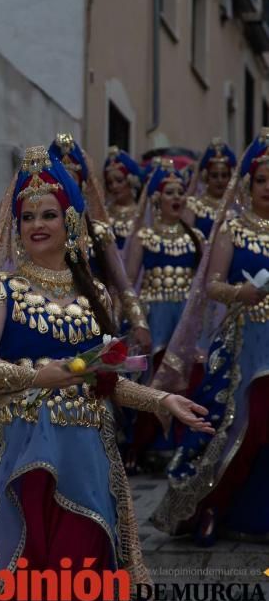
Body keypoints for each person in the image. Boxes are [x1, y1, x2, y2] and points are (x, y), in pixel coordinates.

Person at [0, 145, 214, 601]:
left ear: (70, 221)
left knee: (83, 565)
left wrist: (160, 400)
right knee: (22, 568)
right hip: (19, 445)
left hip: (85, 451)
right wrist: (40, 375)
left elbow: (104, 381)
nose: (37, 224)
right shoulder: (3, 287)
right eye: (27, 215)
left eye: (49, 214)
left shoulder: (93, 296)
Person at [152, 128, 269, 545]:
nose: (267, 188)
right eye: (261, 180)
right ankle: (210, 508)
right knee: (239, 425)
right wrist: (241, 292)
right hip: (243, 340)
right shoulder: (232, 229)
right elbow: (212, 285)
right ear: (248, 184)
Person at [124, 162, 204, 470]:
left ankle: (182, 443)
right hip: (155, 314)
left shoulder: (195, 237)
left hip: (184, 317)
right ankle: (151, 444)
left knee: (184, 377)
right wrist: (137, 322)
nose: (176, 197)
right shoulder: (144, 236)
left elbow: (202, 286)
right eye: (169, 191)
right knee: (153, 376)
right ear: (156, 198)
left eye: (181, 192)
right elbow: (129, 282)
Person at [48, 133, 151, 352]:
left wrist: (139, 323)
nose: (63, 188)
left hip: (96, 325)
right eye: (57, 182)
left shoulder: (99, 232)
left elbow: (124, 285)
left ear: (82, 186)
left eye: (70, 181)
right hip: (50, 325)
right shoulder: (40, 234)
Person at [184, 138, 236, 239]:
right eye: (214, 175)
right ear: (206, 177)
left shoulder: (237, 207)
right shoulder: (194, 206)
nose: (220, 180)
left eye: (224, 175)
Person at [103, 146, 143, 251]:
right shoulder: (103, 213)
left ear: (131, 182)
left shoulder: (141, 215)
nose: (114, 186)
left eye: (119, 180)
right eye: (110, 183)